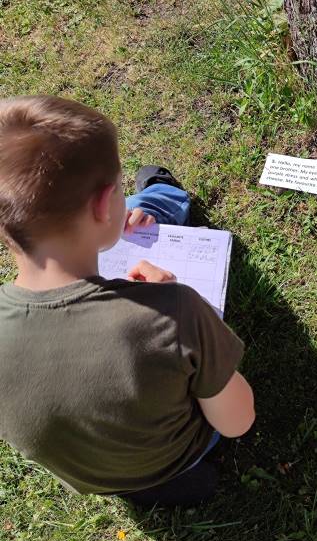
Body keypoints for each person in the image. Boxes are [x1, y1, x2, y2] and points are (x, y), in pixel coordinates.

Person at [0, 95, 254, 507]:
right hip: (181, 455)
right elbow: (238, 422)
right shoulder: (174, 312)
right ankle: (161, 190)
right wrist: (170, 303)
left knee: (135, 216)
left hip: (93, 476)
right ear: (103, 205)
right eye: (117, 188)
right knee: (148, 206)